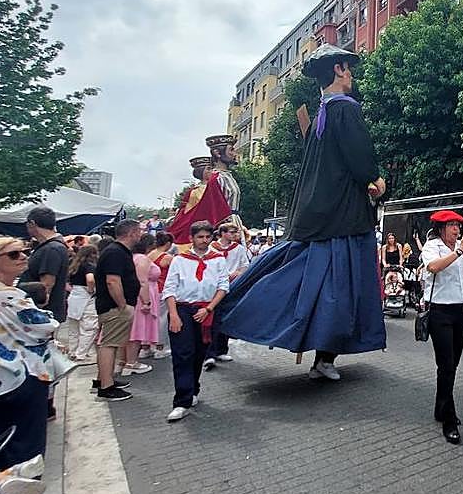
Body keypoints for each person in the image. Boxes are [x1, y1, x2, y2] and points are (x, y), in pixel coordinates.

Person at [218, 44, 387, 381]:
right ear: (338, 70)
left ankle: (232, 311)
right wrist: (374, 179)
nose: (352, 75)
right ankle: (323, 358)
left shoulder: (323, 112)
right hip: (344, 220)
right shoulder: (344, 109)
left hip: (315, 217)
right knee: (342, 292)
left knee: (303, 283)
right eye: (349, 69)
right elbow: (360, 156)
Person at [0, 237, 59, 469]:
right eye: (13, 254)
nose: (23, 257)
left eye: (24, 251)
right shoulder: (5, 295)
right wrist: (49, 320)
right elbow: (44, 325)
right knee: (28, 445)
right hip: (20, 375)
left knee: (5, 440)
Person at [421, 210, 463, 445]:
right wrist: (458, 251)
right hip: (440, 311)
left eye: (458, 225)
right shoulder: (432, 246)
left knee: (453, 364)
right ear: (441, 228)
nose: (456, 230)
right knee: (446, 365)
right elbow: (433, 267)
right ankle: (449, 418)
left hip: (462, 310)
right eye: (451, 225)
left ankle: (441, 407)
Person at [162, 221, 230, 422]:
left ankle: (193, 389)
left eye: (208, 236)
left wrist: (209, 308)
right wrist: (173, 315)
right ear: (191, 238)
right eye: (200, 237)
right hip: (182, 309)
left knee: (200, 352)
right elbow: (170, 288)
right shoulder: (179, 260)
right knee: (183, 353)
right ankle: (181, 400)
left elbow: (223, 286)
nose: (204, 240)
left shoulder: (218, 260)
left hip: (207, 309)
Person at [93, 220, 144, 401]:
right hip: (114, 307)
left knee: (111, 344)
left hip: (114, 306)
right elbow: (112, 281)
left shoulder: (117, 251)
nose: (141, 235)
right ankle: (106, 387)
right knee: (109, 345)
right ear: (131, 233)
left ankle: (104, 380)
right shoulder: (115, 253)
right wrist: (122, 305)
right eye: (139, 231)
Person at [203, 223, 251, 369]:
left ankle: (221, 350)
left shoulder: (239, 249)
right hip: (214, 288)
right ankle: (208, 354)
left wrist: (238, 272)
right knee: (211, 321)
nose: (234, 235)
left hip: (232, 287)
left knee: (225, 319)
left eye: (235, 232)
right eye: (231, 232)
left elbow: (245, 265)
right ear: (222, 233)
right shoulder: (211, 248)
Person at [166, 156, 232, 248]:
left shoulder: (217, 184)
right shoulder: (195, 191)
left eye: (212, 169)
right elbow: (190, 212)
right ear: (201, 172)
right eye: (208, 169)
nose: (211, 171)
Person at [22, 206, 70, 323]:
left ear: (32, 223)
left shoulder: (51, 248)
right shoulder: (52, 246)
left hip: (42, 312)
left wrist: (38, 308)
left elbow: (46, 285)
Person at [129, 234, 164, 365]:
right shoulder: (142, 259)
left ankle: (133, 357)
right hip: (144, 294)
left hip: (142, 293)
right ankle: (132, 361)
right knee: (138, 327)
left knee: (137, 326)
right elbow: (142, 281)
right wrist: (146, 301)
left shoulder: (133, 258)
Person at [64, 244, 100, 362]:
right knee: (89, 327)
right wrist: (91, 289)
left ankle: (73, 351)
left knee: (73, 326)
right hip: (86, 296)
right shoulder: (89, 266)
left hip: (74, 295)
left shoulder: (74, 266)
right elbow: (90, 279)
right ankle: (81, 354)